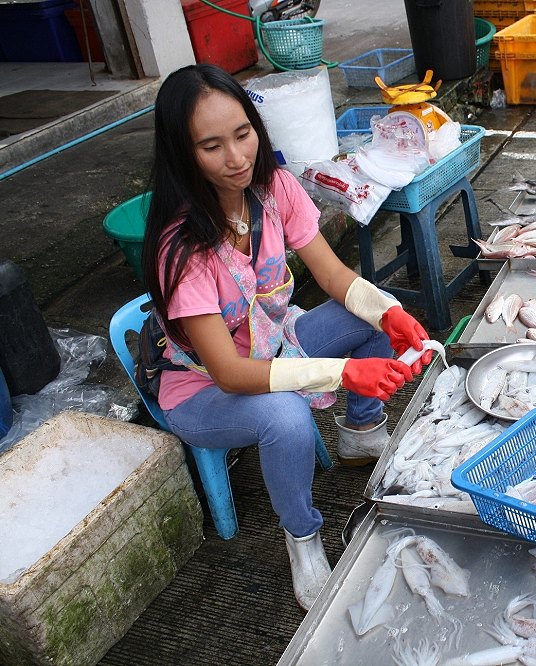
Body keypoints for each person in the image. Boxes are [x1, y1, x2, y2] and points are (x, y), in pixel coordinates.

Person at [140, 63, 432, 611]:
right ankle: (302, 538)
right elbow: (230, 372)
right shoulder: (182, 251)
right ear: (183, 153)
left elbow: (332, 275)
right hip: (200, 388)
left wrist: (387, 310)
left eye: (243, 134)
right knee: (286, 416)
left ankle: (360, 431)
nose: (236, 158)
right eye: (211, 146)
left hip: (270, 343)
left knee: (367, 316)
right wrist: (343, 372)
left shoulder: (274, 189)